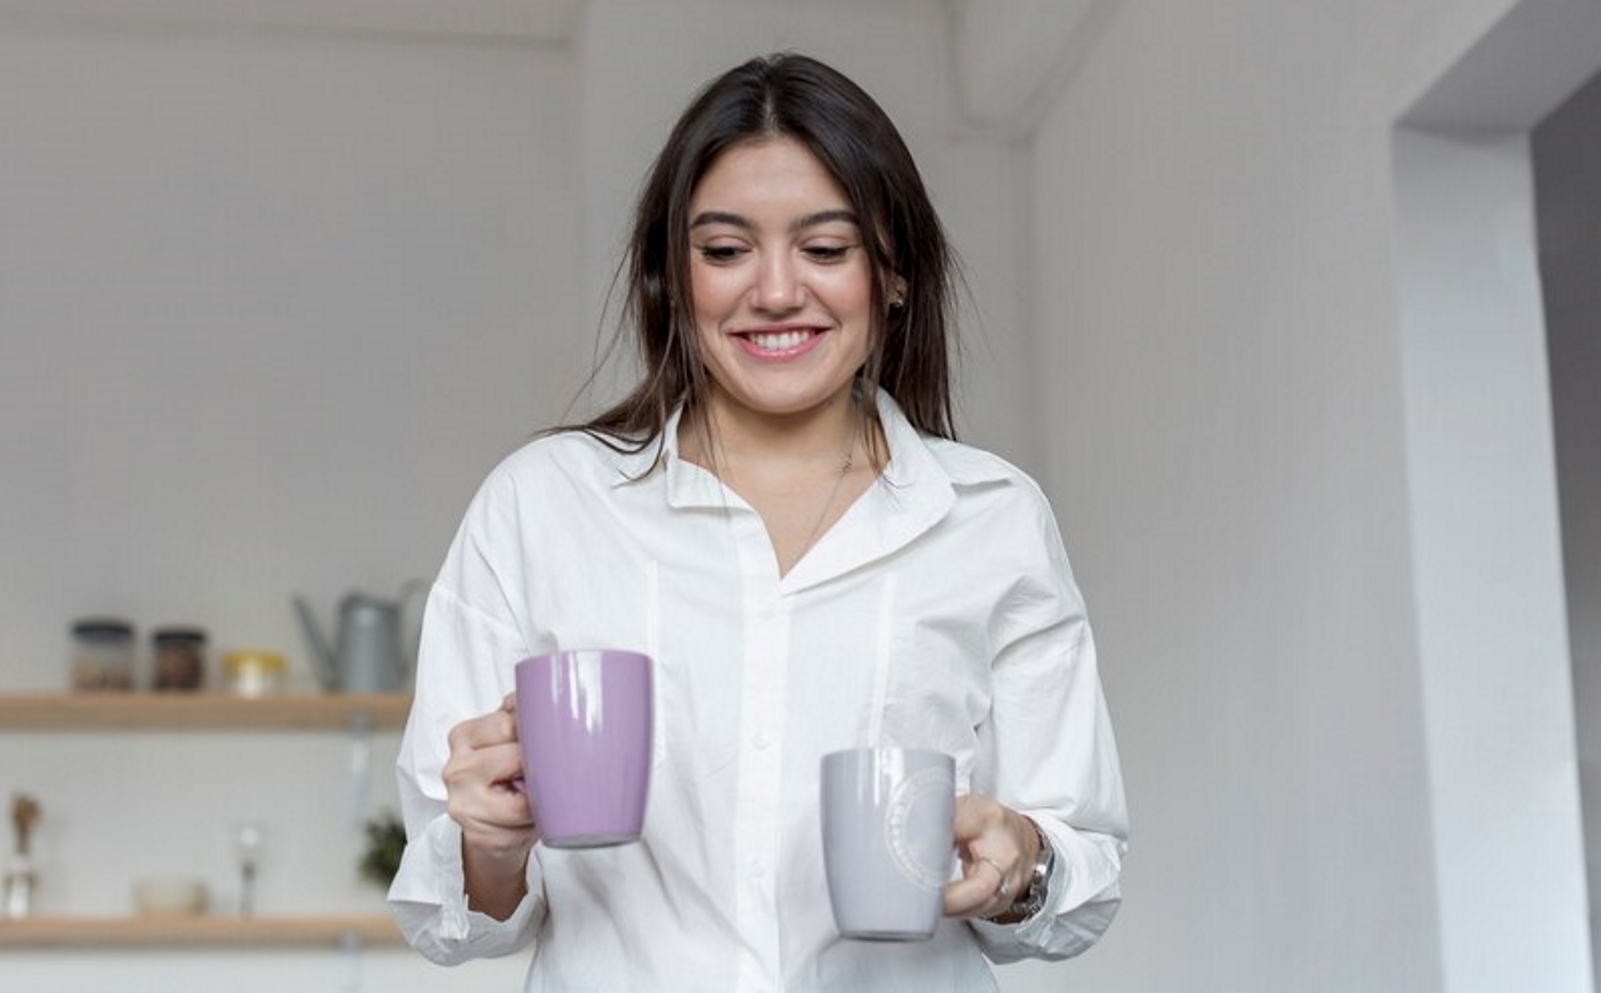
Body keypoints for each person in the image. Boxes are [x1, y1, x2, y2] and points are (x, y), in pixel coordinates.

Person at [390, 53, 1127, 991]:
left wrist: (1025, 858)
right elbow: (458, 918)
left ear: (894, 272)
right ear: (670, 275)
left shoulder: (993, 519)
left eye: (826, 248)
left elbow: (1084, 874)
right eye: (726, 249)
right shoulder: (543, 506)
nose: (776, 292)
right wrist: (489, 845)